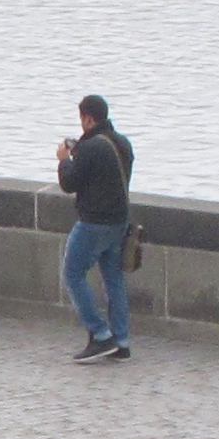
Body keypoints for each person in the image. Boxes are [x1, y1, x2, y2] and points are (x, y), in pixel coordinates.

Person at [57, 93, 136, 363]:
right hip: (119, 222)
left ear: (88, 118)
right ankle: (122, 341)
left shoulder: (90, 148)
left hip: (94, 223)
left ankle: (100, 334)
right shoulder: (122, 143)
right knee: (113, 279)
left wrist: (64, 159)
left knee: (72, 273)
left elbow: (69, 184)